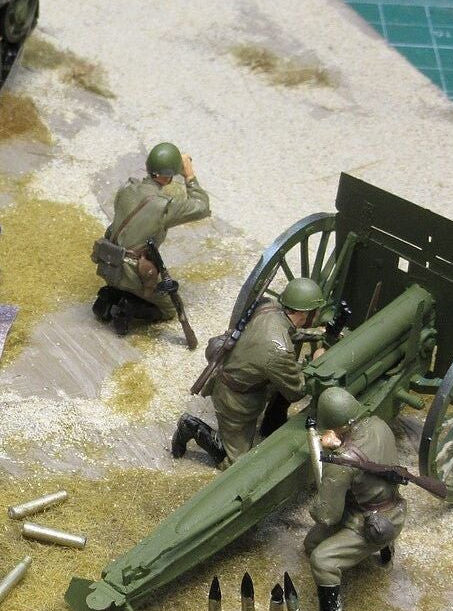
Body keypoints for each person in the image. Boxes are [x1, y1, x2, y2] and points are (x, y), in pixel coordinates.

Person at [172, 276, 322, 466]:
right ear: (305, 313)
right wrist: (316, 361)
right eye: (316, 311)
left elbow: (288, 332)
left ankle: (270, 424)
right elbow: (297, 391)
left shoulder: (270, 308)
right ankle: (191, 426)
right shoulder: (278, 350)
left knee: (280, 383)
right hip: (235, 400)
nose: (318, 314)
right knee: (236, 464)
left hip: (245, 378)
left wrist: (317, 333)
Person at [302, 386, 407, 611]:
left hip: (372, 523)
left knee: (322, 560)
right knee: (311, 542)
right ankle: (382, 549)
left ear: (332, 427)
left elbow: (327, 515)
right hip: (392, 507)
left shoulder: (343, 461)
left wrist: (332, 458)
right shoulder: (379, 424)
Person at [92, 142, 210, 335]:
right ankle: (129, 308)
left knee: (130, 280)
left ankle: (110, 295)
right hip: (134, 271)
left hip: (108, 262)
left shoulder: (126, 189)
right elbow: (201, 206)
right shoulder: (164, 207)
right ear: (170, 175)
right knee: (169, 309)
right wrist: (189, 176)